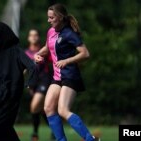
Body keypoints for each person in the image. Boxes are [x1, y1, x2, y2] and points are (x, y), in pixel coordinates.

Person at [34, 3, 100, 141]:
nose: (49, 20)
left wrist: (67, 61)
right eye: (48, 17)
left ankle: (90, 139)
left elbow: (85, 53)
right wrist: (38, 54)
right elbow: (47, 47)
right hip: (57, 77)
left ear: (60, 17)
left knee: (63, 110)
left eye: (51, 18)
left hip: (70, 75)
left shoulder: (69, 33)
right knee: (48, 108)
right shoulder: (51, 31)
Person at [24, 29, 54, 141]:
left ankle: (35, 133)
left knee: (34, 106)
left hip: (44, 80)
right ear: (28, 38)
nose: (34, 37)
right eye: (31, 35)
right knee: (41, 110)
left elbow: (54, 61)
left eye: (36, 35)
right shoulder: (25, 53)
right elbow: (24, 69)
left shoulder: (44, 51)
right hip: (33, 83)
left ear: (38, 37)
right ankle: (54, 131)